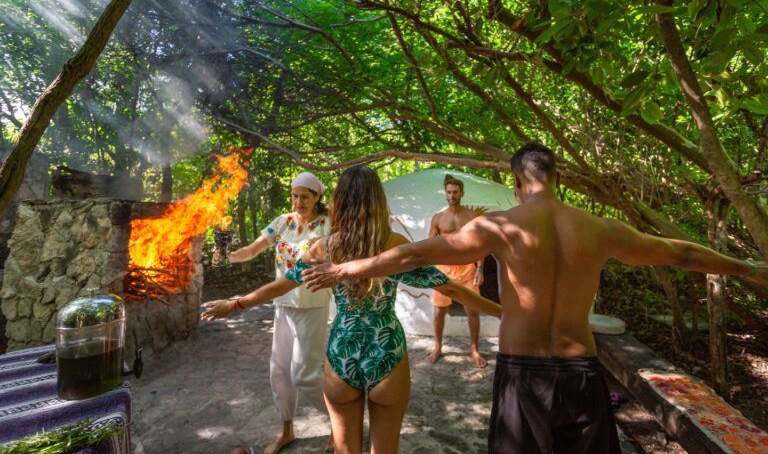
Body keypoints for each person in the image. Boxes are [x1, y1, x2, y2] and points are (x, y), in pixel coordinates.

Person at [302, 143, 768, 454]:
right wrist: (748, 268)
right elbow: (681, 253)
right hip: (581, 372)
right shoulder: (599, 228)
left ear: (518, 183)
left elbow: (418, 253)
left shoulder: (501, 226)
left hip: (523, 375)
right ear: (555, 178)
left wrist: (346, 268)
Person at [203, 165, 501, 454]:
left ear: (340, 202)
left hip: (342, 352)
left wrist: (236, 304)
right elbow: (450, 288)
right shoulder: (393, 243)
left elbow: (281, 285)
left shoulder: (325, 247)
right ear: (378, 202)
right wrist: (504, 313)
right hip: (386, 351)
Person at [213, 171, 333, 454]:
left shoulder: (328, 224)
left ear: (317, 196)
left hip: (312, 305)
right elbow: (252, 250)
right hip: (282, 304)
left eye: (304, 196)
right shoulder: (283, 222)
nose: (298, 201)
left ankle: (338, 423)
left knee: (306, 375)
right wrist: (227, 255)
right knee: (278, 371)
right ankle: (286, 430)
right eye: (294, 196)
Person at [427, 174, 489, 367]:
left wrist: (480, 269)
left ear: (462, 193)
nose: (451, 196)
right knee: (439, 311)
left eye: (455, 192)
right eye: (448, 192)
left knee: (473, 310)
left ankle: (474, 349)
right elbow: (429, 245)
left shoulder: (472, 217)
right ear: (445, 193)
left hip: (467, 269)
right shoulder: (438, 218)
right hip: (444, 269)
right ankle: (437, 347)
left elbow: (480, 244)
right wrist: (429, 270)